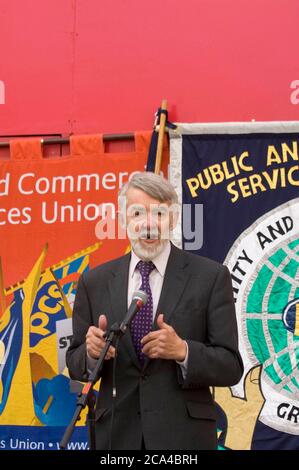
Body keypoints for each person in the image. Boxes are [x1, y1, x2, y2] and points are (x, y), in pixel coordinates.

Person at [66, 171, 243, 450]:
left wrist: (184, 351)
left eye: (159, 214)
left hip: (184, 439)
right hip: (116, 437)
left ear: (172, 219)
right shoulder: (94, 282)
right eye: (137, 214)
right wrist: (90, 353)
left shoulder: (210, 277)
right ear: (124, 220)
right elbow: (75, 365)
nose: (148, 225)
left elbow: (231, 366)